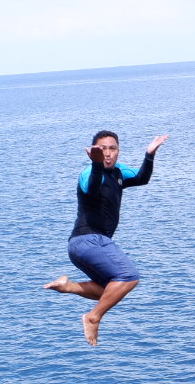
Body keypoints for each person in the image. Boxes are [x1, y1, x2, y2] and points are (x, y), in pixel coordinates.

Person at [45, 130, 168, 345]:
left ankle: (68, 286)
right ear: (94, 152)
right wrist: (96, 164)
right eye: (103, 149)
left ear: (118, 151)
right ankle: (93, 317)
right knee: (129, 277)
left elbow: (141, 178)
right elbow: (93, 189)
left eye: (113, 149)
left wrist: (149, 154)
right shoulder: (88, 174)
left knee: (108, 291)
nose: (108, 153)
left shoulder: (119, 172)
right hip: (89, 240)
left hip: (83, 245)